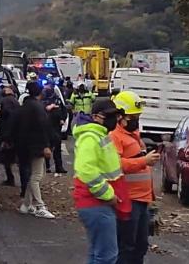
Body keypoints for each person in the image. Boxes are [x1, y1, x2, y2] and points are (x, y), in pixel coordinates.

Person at [73, 98, 130, 264]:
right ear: (97, 116)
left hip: (96, 204)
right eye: (110, 116)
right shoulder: (90, 137)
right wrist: (107, 194)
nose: (115, 120)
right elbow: (86, 170)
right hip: (96, 203)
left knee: (97, 254)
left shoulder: (99, 135)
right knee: (106, 256)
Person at [111, 91, 160, 264]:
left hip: (142, 200)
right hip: (128, 200)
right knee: (126, 247)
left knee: (141, 246)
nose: (136, 120)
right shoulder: (114, 137)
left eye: (137, 116)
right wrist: (143, 161)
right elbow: (115, 165)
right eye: (132, 117)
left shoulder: (135, 136)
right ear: (120, 116)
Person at [14, 80, 55, 219]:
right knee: (37, 176)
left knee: (32, 174)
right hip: (36, 146)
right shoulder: (38, 108)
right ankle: (40, 206)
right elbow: (42, 128)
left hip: (24, 145)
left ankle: (26, 205)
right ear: (40, 92)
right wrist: (46, 145)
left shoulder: (25, 106)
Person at [42, 86, 68, 174]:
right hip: (46, 128)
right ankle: (47, 167)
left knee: (57, 148)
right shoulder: (42, 101)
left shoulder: (58, 100)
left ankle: (59, 167)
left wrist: (63, 119)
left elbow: (64, 111)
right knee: (46, 147)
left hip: (56, 128)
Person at [0, 83, 20, 186]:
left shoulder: (6, 101)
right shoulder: (14, 101)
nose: (3, 89)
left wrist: (6, 137)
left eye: (6, 88)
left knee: (6, 158)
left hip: (8, 134)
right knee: (13, 157)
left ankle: (10, 179)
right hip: (15, 133)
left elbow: (7, 116)